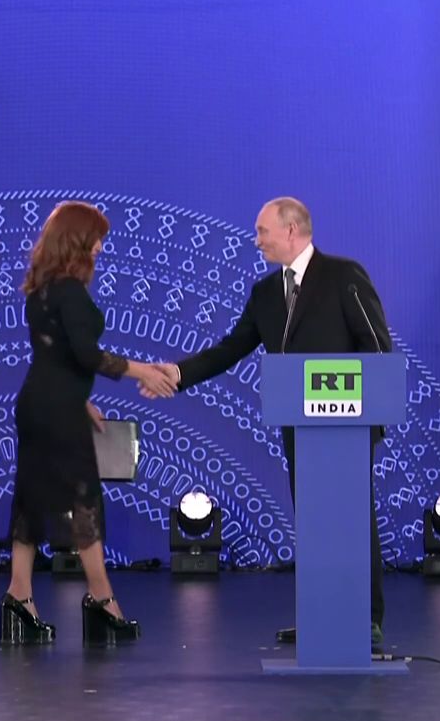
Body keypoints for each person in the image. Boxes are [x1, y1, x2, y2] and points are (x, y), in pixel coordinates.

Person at [153, 197, 393, 649]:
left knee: (353, 520)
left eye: (263, 231)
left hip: (347, 427)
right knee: (314, 522)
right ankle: (323, 616)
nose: (257, 240)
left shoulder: (343, 276)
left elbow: (377, 347)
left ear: (292, 229)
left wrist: (369, 408)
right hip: (299, 427)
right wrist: (179, 374)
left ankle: (366, 619)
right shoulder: (265, 293)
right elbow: (231, 348)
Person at [2, 201, 177, 646]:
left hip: (38, 405)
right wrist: (142, 371)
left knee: (31, 500)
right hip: (57, 409)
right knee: (84, 500)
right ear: (78, 240)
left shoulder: (40, 291)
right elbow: (84, 355)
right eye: (96, 238)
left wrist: (80, 401)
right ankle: (102, 602)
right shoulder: (71, 292)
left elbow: (54, 355)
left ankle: (18, 599)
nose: (100, 247)